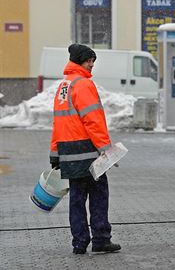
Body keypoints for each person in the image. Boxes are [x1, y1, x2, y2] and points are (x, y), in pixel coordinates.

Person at [49, 43, 121, 255]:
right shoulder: (84, 85)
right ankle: (101, 239)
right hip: (88, 152)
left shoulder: (64, 87)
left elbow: (58, 123)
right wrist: (107, 150)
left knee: (77, 199)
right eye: (90, 61)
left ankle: (79, 242)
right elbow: (93, 121)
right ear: (81, 60)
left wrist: (55, 153)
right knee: (99, 195)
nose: (92, 65)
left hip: (69, 153)